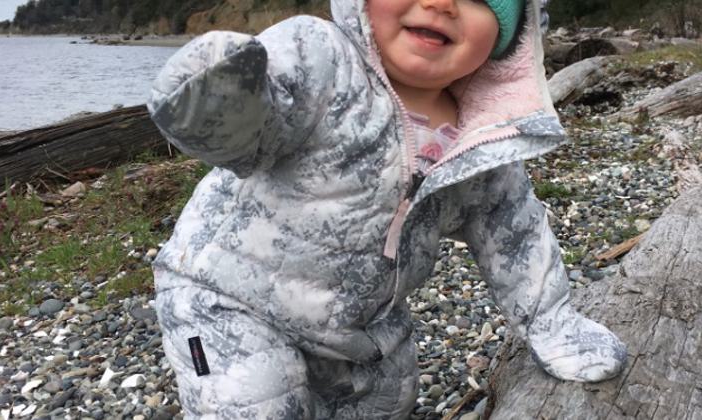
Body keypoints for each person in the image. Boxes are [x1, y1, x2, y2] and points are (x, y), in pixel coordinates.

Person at [147, 0, 628, 418]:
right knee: (254, 402)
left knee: (391, 400)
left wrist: (553, 322)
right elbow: (250, 132)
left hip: (357, 326)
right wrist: (216, 97)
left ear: (511, 34)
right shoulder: (319, 57)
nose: (442, 4)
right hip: (228, 298)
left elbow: (516, 234)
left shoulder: (484, 136)